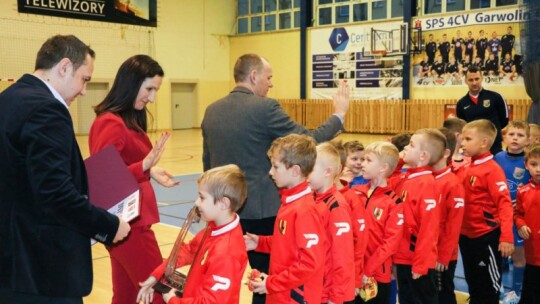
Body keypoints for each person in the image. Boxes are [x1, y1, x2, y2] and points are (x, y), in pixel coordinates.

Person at [201, 54, 349, 303]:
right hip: (263, 211)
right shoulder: (264, 108)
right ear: (253, 76)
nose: (271, 84)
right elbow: (307, 141)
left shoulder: (212, 110)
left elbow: (208, 163)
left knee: (227, 280)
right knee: (268, 280)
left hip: (225, 212)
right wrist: (339, 115)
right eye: (268, 78)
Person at [0, 34, 130, 303]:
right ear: (64, 67)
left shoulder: (8, 99)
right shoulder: (47, 110)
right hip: (41, 270)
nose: (84, 91)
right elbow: (55, 194)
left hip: (11, 262)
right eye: (85, 79)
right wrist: (108, 225)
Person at [89, 55, 179, 304]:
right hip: (130, 226)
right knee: (159, 293)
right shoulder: (110, 122)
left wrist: (150, 171)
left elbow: (123, 166)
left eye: (155, 91)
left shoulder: (128, 120)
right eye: (149, 89)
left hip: (130, 225)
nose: (152, 98)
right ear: (131, 83)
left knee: (128, 296)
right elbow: (103, 179)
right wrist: (144, 165)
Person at [137, 164, 249, 304]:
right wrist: (157, 275)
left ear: (224, 203)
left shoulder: (226, 254)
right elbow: (188, 251)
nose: (197, 202)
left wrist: (173, 300)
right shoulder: (214, 229)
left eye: (202, 198)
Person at [244, 134, 325, 303]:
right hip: (281, 293)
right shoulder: (289, 202)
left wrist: (272, 283)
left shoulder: (305, 210)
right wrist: (259, 242)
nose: (270, 172)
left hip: (293, 297)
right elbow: (287, 243)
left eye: (275, 167)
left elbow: (309, 263)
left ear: (295, 170)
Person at [459, 119, 515, 303]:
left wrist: (506, 236)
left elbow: (505, 204)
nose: (462, 143)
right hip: (466, 236)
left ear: (483, 143)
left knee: (488, 287)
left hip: (486, 237)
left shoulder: (492, 170)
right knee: (473, 282)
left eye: (468, 139)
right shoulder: (467, 166)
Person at [393, 129, 445, 304]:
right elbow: (389, 178)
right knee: (407, 298)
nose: (405, 147)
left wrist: (421, 263)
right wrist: (399, 159)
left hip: (417, 260)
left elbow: (429, 228)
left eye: (411, 145)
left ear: (423, 155)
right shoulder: (408, 177)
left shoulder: (427, 184)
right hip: (403, 255)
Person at [355, 141, 404, 304]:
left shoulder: (393, 203)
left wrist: (368, 270)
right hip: (354, 272)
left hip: (376, 275)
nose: (362, 164)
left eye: (368, 161)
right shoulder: (356, 194)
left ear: (383, 167)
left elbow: (390, 243)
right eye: (363, 160)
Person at [310, 143, 356, 304]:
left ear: (327, 172)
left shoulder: (337, 207)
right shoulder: (313, 200)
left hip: (332, 293)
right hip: (319, 288)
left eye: (310, 169)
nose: (305, 174)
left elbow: (343, 257)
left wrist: (336, 297)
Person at [494, 120, 531, 297]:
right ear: (505, 137)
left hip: (519, 217)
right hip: (499, 215)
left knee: (518, 255)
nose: (515, 138)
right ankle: (497, 286)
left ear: (528, 140)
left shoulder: (530, 161)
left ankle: (516, 292)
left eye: (520, 135)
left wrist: (521, 203)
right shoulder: (497, 158)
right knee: (499, 252)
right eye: (511, 134)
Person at [433, 128, 465, 304]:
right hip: (426, 251)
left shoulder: (452, 184)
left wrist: (443, 255)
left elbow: (454, 225)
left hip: (443, 255)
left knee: (444, 293)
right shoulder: (426, 178)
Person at [456, 65, 509, 154]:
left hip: (494, 146)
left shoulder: (495, 97)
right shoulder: (461, 103)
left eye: (477, 79)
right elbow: (463, 126)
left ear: (482, 78)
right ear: (465, 81)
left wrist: (492, 133)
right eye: (471, 80)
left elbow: (504, 120)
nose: (474, 83)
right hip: (472, 148)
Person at [514, 143, 540, 304]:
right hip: (531, 252)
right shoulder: (523, 191)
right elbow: (517, 214)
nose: (538, 169)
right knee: (530, 287)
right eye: (534, 164)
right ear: (526, 165)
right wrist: (520, 224)